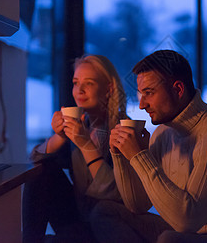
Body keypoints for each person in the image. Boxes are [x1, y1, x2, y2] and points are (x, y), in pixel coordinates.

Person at [91, 50, 207, 243]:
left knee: (169, 240)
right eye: (140, 94)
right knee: (107, 211)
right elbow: (138, 205)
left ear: (178, 90)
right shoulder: (163, 133)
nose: (142, 105)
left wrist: (140, 156)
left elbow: (187, 221)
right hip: (190, 234)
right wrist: (121, 156)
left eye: (149, 93)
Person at [22, 54, 128, 243]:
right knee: (43, 170)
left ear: (108, 89)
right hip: (79, 215)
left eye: (89, 83)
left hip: (108, 222)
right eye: (76, 82)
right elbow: (34, 161)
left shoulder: (123, 130)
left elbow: (114, 193)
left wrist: (85, 145)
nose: (79, 90)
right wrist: (59, 137)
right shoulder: (83, 124)